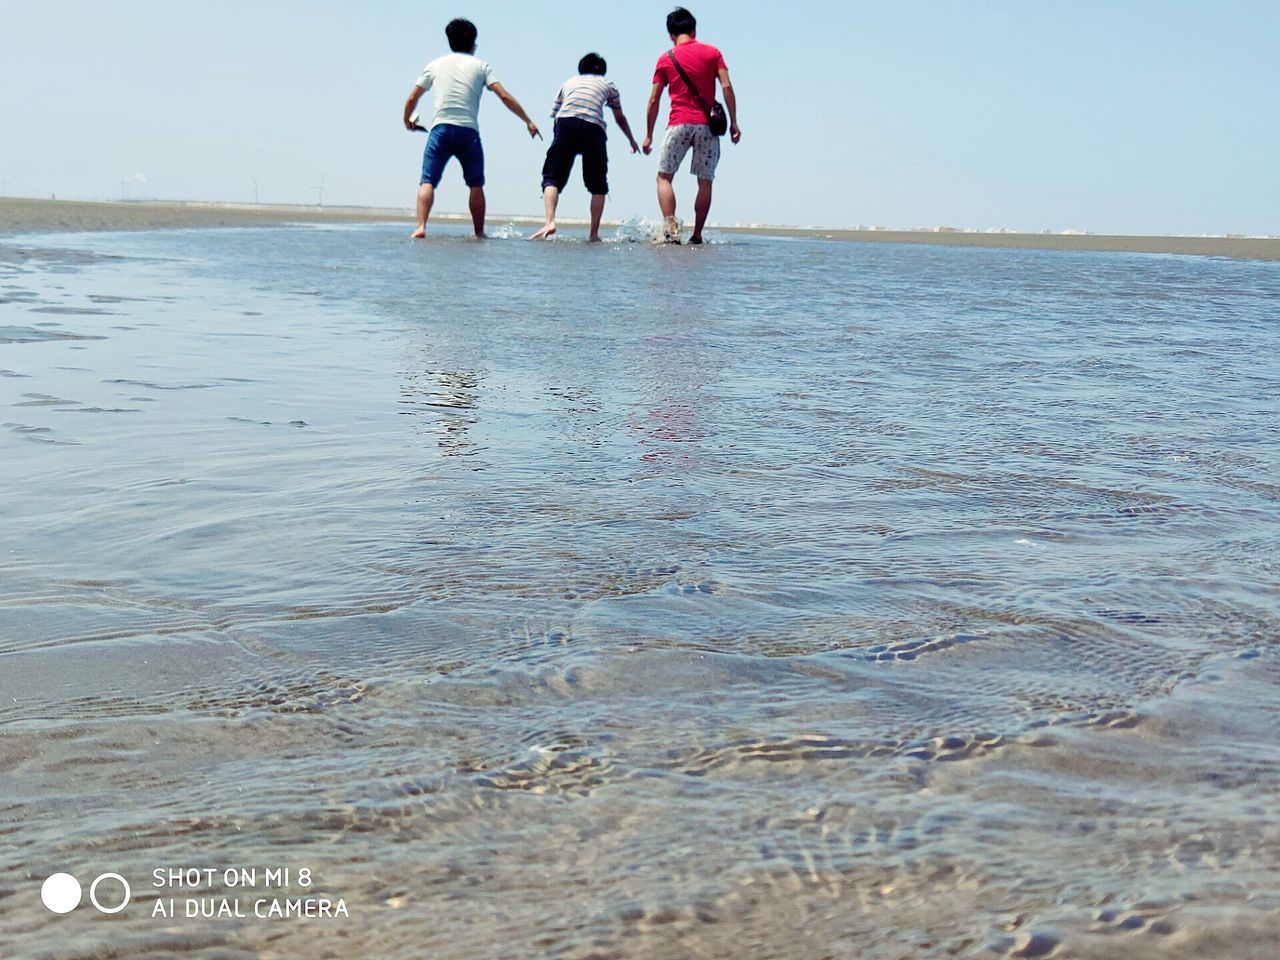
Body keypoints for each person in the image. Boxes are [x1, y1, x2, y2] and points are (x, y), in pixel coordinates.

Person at [402, 18, 541, 238]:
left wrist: (407, 120)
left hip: (441, 130)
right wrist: (528, 120)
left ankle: (421, 227)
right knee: (476, 185)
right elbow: (503, 95)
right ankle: (479, 232)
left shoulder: (434, 65)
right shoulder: (481, 66)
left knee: (427, 180)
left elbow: (412, 98)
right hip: (468, 132)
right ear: (472, 44)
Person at [642, 7, 741, 244]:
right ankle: (697, 235)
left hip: (678, 124)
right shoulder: (713, 52)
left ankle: (671, 231)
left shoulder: (665, 59)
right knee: (705, 180)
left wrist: (648, 135)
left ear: (670, 34)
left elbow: (654, 99)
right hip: (707, 127)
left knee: (664, 177)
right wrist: (734, 122)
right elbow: (726, 86)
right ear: (694, 30)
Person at [530, 53, 641, 243]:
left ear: (581, 68)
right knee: (598, 184)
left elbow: (556, 113)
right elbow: (619, 117)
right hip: (594, 128)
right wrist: (631, 140)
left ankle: (550, 222)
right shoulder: (609, 85)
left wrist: (561, 139)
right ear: (603, 71)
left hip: (566, 123)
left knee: (552, 178)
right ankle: (593, 234)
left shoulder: (569, 82)